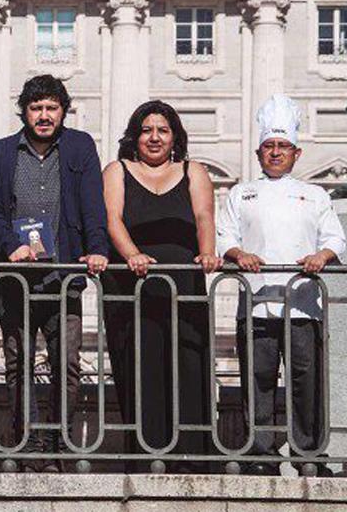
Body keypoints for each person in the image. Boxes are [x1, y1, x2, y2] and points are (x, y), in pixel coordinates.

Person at [0, 74, 109, 473]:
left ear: (63, 111)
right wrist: (10, 245)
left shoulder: (80, 146)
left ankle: (58, 442)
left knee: (67, 363)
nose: (43, 115)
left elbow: (92, 203)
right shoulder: (0, 152)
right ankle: (28, 443)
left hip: (63, 275)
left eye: (51, 108)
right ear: (24, 111)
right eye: (36, 108)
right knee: (18, 364)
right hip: (15, 277)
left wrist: (98, 249)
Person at [217, 94, 345, 476]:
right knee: (257, 380)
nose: (275, 152)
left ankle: (309, 455)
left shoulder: (316, 194)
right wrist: (239, 254)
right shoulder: (241, 193)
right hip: (256, 304)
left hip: (304, 305)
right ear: (259, 153)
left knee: (307, 382)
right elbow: (226, 236)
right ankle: (261, 454)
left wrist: (321, 256)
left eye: (283, 146)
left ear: (296, 153)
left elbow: (335, 238)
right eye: (269, 146)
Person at [101, 100, 220, 473]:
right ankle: (146, 458)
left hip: (183, 282)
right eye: (147, 130)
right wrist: (133, 254)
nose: (154, 137)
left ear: (174, 137)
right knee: (140, 366)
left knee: (188, 363)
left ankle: (192, 459)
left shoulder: (193, 171)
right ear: (135, 137)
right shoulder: (118, 170)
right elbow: (113, 219)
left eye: (163, 130)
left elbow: (204, 216)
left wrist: (208, 253)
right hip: (131, 284)